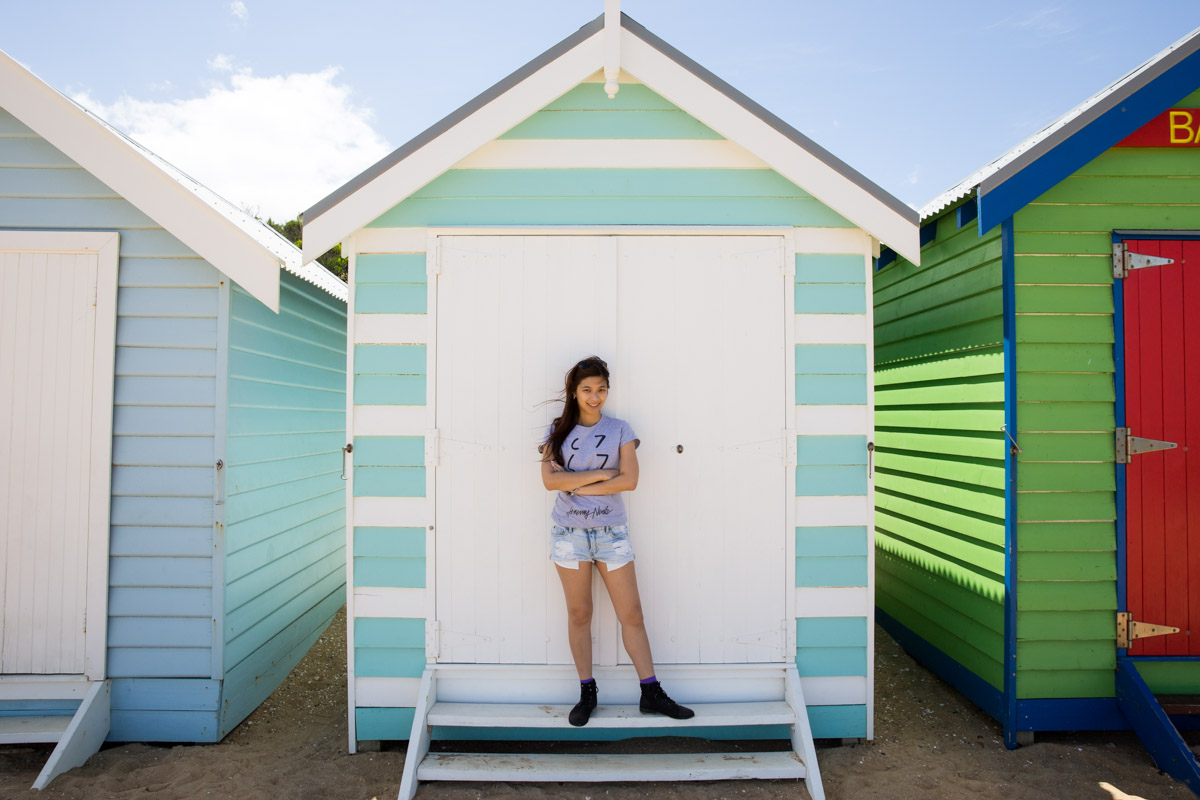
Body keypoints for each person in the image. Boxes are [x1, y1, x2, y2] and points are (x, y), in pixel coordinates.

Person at [540, 356, 694, 727]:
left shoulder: (621, 429)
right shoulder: (558, 430)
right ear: (574, 393)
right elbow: (549, 482)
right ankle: (587, 692)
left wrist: (576, 482)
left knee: (632, 614)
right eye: (587, 390)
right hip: (569, 534)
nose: (595, 397)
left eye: (601, 390)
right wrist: (601, 474)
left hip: (612, 534)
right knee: (579, 615)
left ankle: (651, 692)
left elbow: (629, 481)